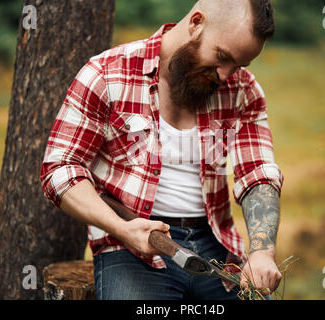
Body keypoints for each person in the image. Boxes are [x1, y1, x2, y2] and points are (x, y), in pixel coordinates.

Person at [40, 0, 284, 300]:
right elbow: (60, 169)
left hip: (215, 245)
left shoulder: (243, 89)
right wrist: (120, 228)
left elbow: (258, 174)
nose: (225, 75)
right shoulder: (106, 73)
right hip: (130, 246)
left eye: (238, 66)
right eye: (222, 57)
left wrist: (262, 250)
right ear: (196, 23)